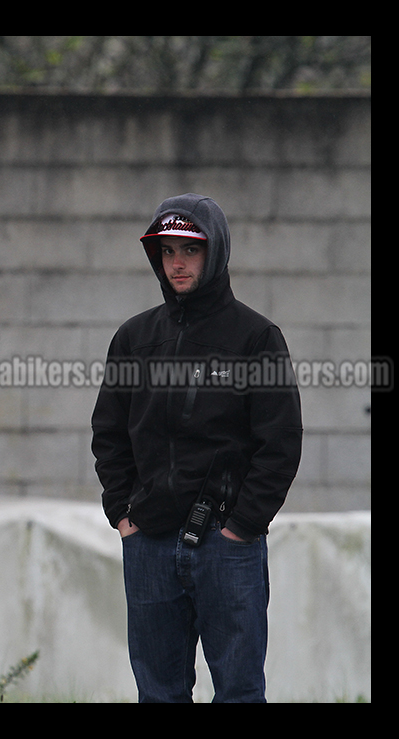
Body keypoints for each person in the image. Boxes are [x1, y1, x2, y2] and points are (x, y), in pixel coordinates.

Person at [91, 193, 303, 702]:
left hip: (227, 547)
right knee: (158, 693)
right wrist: (123, 514)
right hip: (149, 543)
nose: (177, 263)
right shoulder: (134, 338)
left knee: (239, 691)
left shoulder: (256, 338)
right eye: (167, 251)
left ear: (216, 253)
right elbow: (109, 434)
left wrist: (241, 528)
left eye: (190, 249)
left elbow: (281, 443)